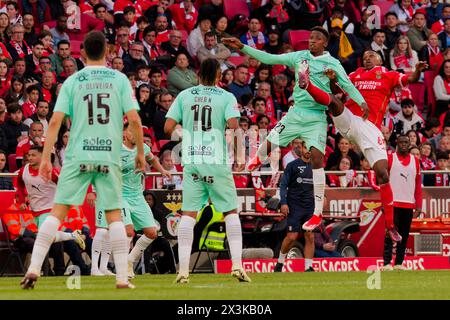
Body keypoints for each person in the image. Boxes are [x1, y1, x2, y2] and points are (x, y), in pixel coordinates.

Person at [20, 31, 145, 290]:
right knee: (114, 217)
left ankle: (33, 269)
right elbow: (134, 120)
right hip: (108, 156)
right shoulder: (120, 79)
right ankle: (122, 277)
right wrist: (141, 152)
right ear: (109, 50)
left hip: (78, 155)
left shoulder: (73, 80)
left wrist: (45, 158)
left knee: (57, 213)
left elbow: (54, 121)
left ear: (82, 53)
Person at [222, 27, 367, 232]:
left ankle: (317, 213)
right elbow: (269, 58)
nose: (312, 41)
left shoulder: (332, 63)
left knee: (317, 159)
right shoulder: (299, 56)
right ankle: (255, 161)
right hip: (296, 113)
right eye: (310, 38)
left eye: (317, 39)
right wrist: (243, 47)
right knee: (271, 141)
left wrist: (362, 102)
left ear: (325, 43)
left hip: (316, 116)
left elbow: (348, 85)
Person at [303, 50, 427, 241]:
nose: (367, 57)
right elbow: (336, 90)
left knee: (382, 173)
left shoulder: (388, 74)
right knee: (334, 103)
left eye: (371, 55)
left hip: (371, 128)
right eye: (366, 55)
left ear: (380, 59)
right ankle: (308, 85)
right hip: (351, 119)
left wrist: (418, 70)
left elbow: (410, 78)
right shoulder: (354, 75)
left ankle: (390, 226)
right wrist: (334, 79)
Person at [164, 58, 250, 283]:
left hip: (192, 159)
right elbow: (234, 125)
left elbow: (167, 128)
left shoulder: (185, 95)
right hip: (215, 159)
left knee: (188, 214)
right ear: (219, 77)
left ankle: (183, 271)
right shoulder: (226, 96)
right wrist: (239, 156)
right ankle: (238, 266)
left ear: (198, 75)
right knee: (231, 212)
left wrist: (186, 134)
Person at [92, 122, 172, 277]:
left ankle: (129, 260)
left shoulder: (143, 148)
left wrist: (162, 171)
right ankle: (121, 268)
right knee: (128, 231)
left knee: (152, 233)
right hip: (119, 195)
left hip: (137, 196)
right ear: (125, 133)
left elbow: (152, 159)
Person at [382, 135, 422, 270]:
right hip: (392, 204)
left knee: (404, 236)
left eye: (406, 142)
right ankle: (387, 263)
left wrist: (419, 205)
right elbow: (383, 182)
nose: (404, 144)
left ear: (410, 143)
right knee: (390, 233)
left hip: (408, 204)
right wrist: (384, 203)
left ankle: (399, 263)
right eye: (401, 142)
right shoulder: (390, 158)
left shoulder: (415, 161)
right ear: (397, 143)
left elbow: (418, 185)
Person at [275, 140, 315, 272]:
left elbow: (320, 186)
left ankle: (308, 266)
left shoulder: (316, 167)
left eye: (310, 149)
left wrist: (322, 198)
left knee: (309, 235)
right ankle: (280, 262)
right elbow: (283, 185)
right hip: (294, 205)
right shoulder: (292, 165)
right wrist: (284, 202)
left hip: (310, 206)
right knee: (291, 237)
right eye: (306, 148)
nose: (308, 151)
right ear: (302, 148)